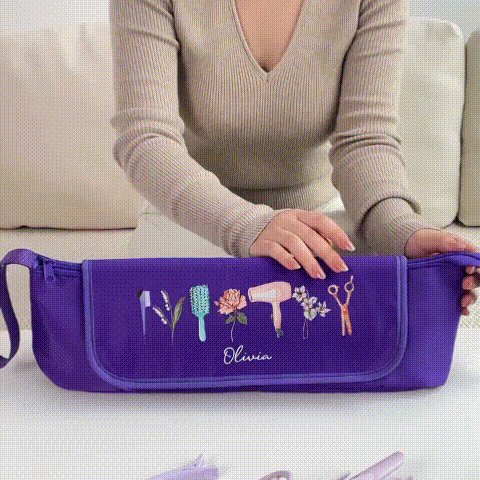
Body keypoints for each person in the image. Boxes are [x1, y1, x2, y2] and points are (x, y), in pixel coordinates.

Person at [109, 0, 478, 316]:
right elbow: (146, 139)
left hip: (316, 230)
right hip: (191, 222)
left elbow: (365, 139)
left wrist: (401, 229)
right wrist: (248, 226)